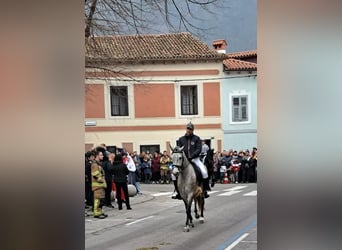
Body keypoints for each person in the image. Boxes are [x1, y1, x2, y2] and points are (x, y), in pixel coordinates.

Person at [172, 122, 211, 199]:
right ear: (186, 129)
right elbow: (178, 149)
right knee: (173, 174)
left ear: (193, 130)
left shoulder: (196, 138)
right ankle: (177, 191)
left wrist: (191, 156)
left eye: (190, 129)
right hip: (183, 161)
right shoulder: (181, 139)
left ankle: (205, 190)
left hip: (195, 159)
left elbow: (198, 149)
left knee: (204, 172)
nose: (188, 130)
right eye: (188, 128)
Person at [91, 150, 108, 219]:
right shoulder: (95, 164)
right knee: (97, 200)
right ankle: (96, 213)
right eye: (101, 155)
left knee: (101, 200)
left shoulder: (99, 164)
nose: (102, 156)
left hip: (100, 186)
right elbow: (95, 175)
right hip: (97, 186)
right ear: (97, 156)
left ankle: (100, 211)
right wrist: (102, 181)